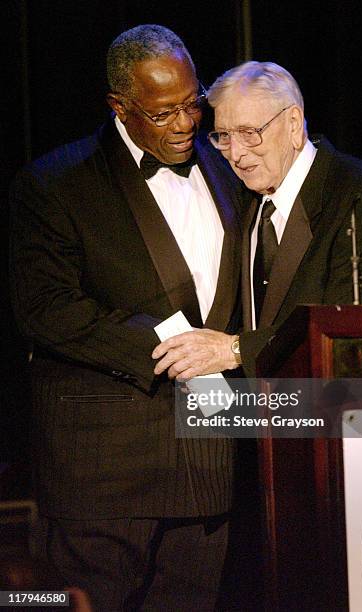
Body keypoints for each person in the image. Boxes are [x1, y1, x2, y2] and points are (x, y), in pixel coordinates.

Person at [9, 25, 245, 611]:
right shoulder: (55, 182)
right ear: (121, 107)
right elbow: (44, 308)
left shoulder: (226, 169)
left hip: (208, 464)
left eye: (193, 104)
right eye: (165, 113)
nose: (187, 123)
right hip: (105, 473)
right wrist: (169, 347)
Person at [152, 60, 362, 378]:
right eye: (224, 136)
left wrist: (234, 350)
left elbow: (344, 329)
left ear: (292, 123)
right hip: (256, 417)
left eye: (249, 133)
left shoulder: (361, 197)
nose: (236, 153)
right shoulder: (242, 194)